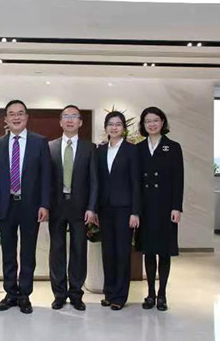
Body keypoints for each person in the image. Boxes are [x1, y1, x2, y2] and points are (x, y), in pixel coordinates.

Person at [0, 100, 51, 314]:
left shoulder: (39, 142)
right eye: (11, 114)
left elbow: (46, 176)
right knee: (8, 252)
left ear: (26, 117)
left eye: (20, 113)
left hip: (31, 206)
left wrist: (44, 204)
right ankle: (10, 293)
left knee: (28, 252)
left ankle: (24, 294)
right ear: (5, 119)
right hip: (6, 205)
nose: (16, 117)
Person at [48, 105, 98, 311]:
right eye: (66, 116)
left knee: (79, 250)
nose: (70, 120)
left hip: (80, 207)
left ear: (80, 122)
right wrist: (44, 205)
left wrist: (91, 207)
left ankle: (76, 294)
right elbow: (45, 180)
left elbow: (94, 181)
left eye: (74, 116)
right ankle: (59, 294)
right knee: (57, 250)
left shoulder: (90, 148)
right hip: (56, 206)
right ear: (60, 122)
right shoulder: (50, 147)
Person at [136, 107, 184, 312]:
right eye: (148, 121)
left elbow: (178, 179)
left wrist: (177, 207)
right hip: (145, 207)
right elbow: (135, 181)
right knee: (148, 251)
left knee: (164, 252)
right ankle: (150, 293)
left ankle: (162, 294)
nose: (152, 124)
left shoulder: (173, 147)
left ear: (163, 122)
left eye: (156, 120)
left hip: (165, 207)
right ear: (143, 125)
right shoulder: (138, 148)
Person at [96, 111, 141, 311]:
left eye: (118, 124)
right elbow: (96, 181)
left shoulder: (132, 150)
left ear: (124, 128)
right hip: (105, 209)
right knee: (108, 252)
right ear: (105, 127)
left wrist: (135, 212)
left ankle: (120, 296)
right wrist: (95, 209)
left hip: (125, 209)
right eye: (110, 124)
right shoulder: (100, 150)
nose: (114, 127)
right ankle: (109, 292)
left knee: (122, 252)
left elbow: (136, 183)